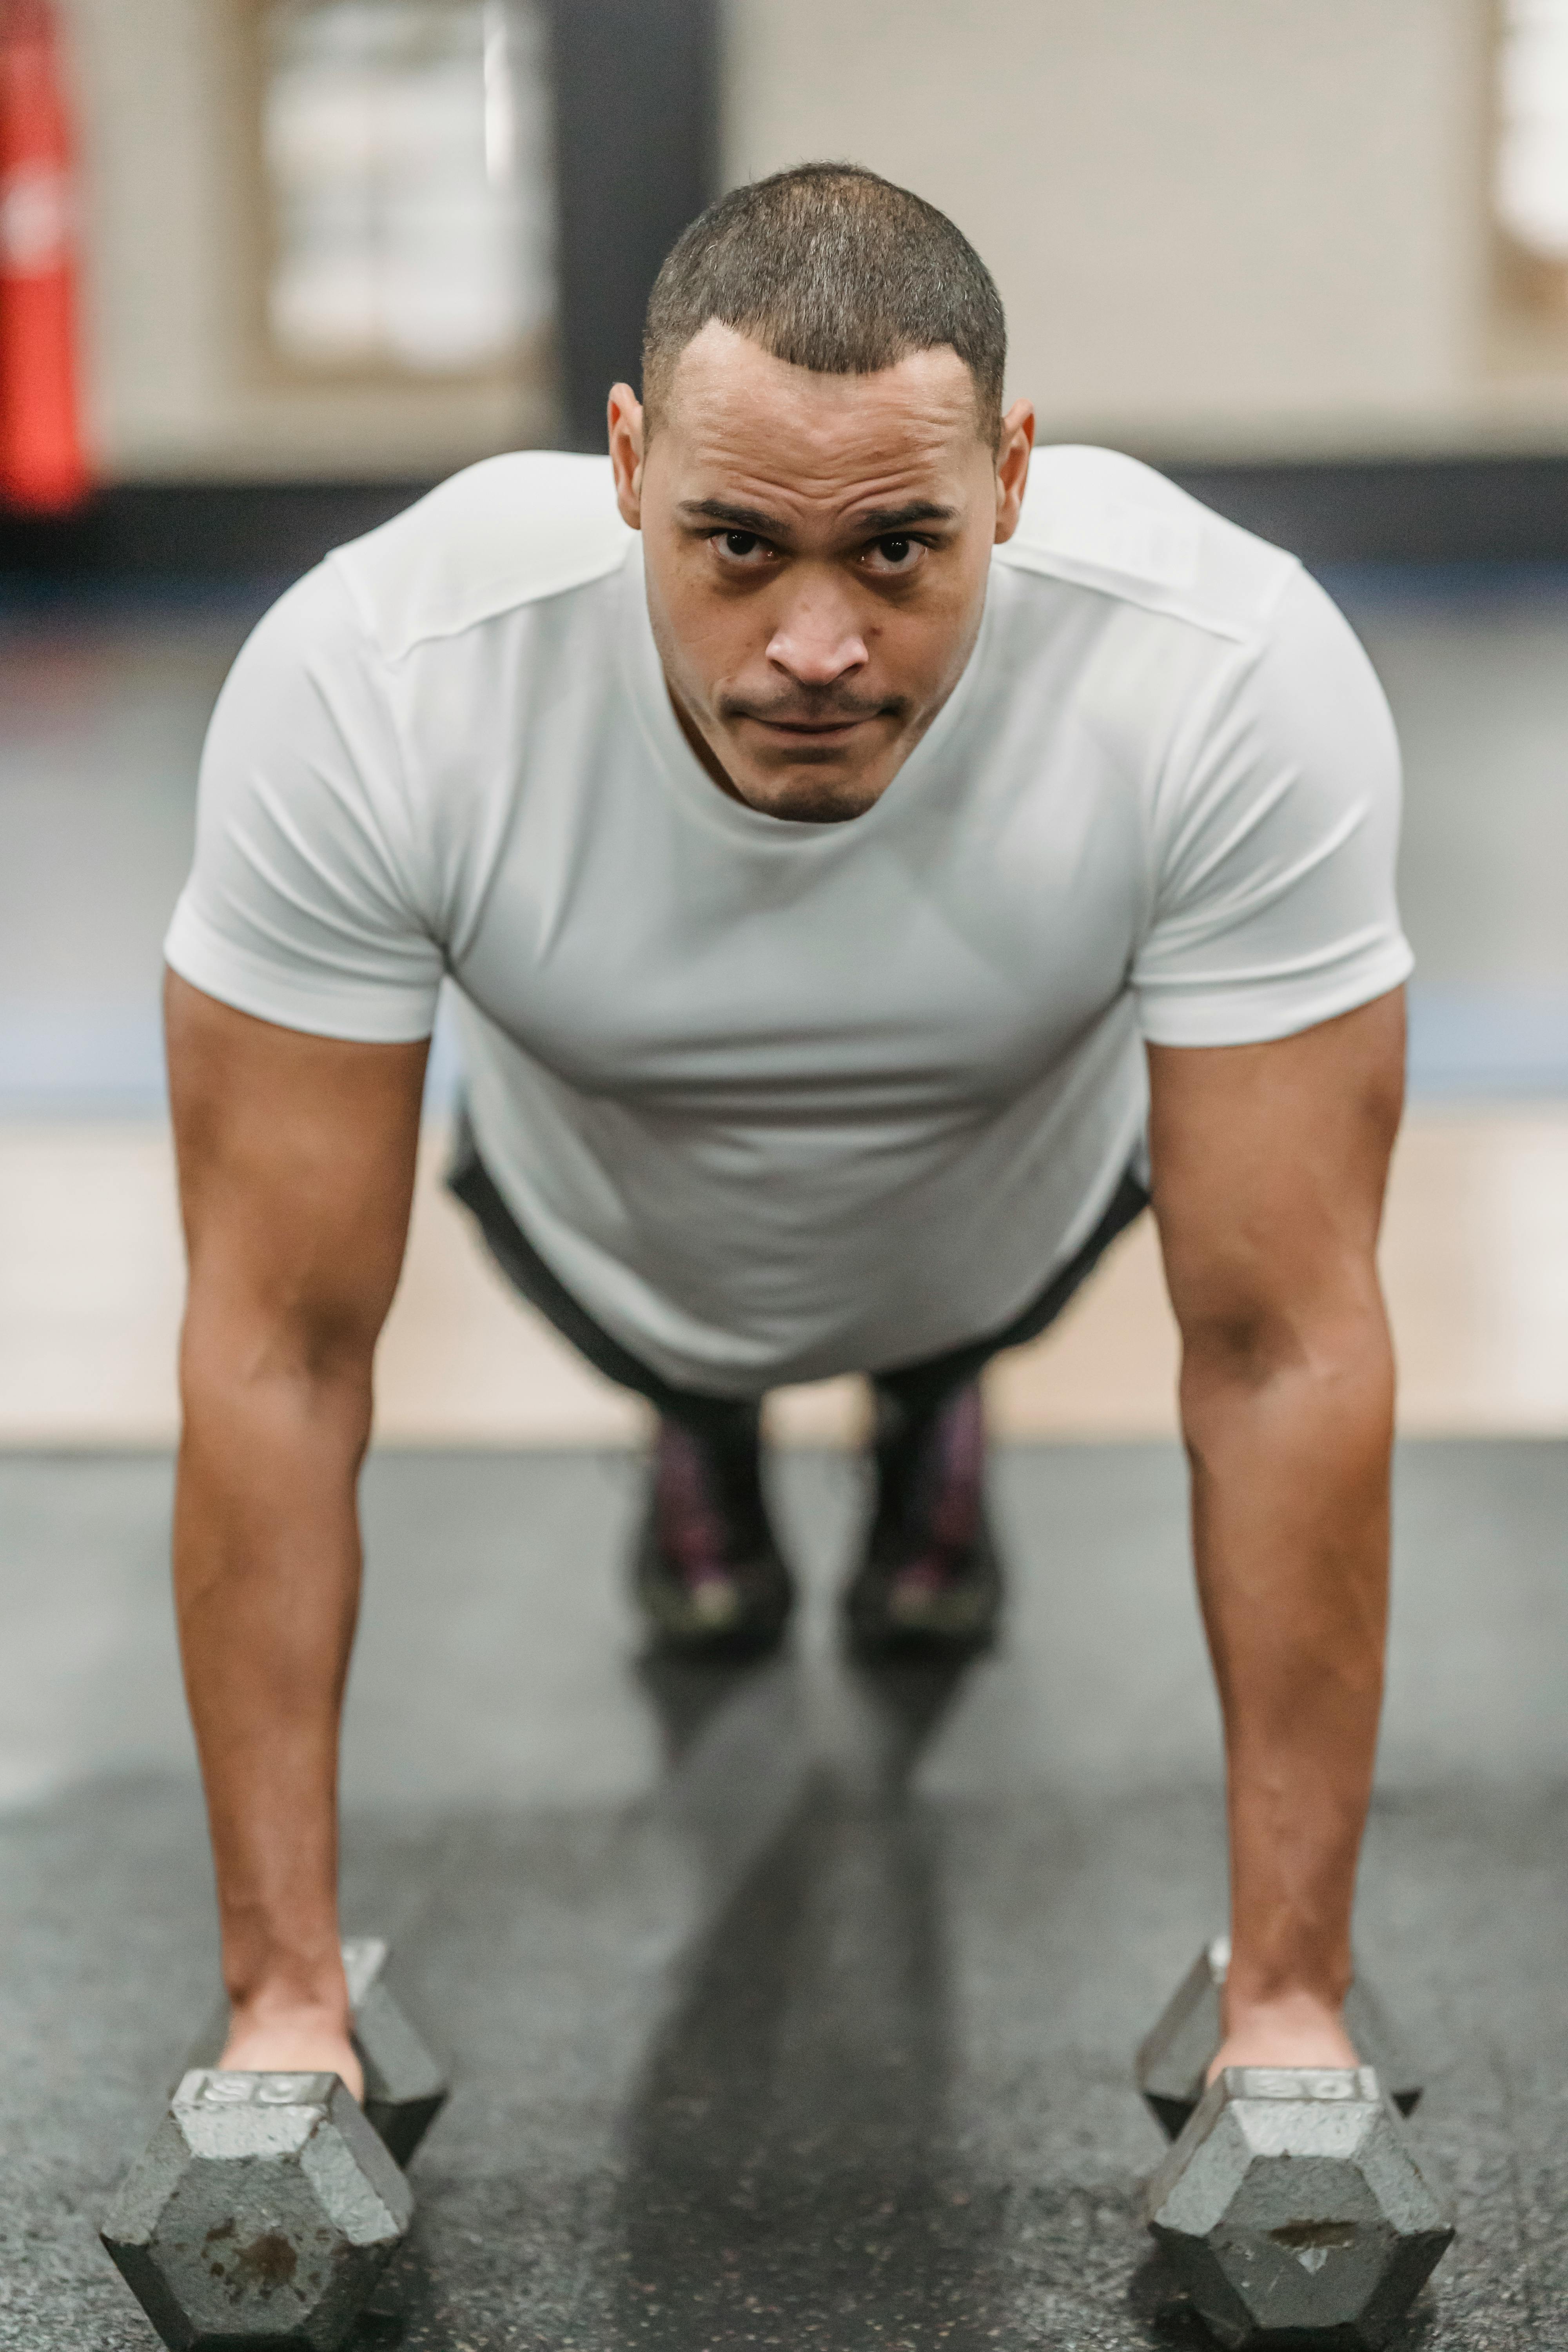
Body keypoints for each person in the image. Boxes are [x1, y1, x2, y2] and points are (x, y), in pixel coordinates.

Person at [162, 164, 1410, 2108]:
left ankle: (929, 1403)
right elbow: (275, 1344)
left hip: (1004, 1228)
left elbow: (1285, 1345)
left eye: (899, 550)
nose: (815, 644)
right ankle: (710, 1417)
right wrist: (281, 2010)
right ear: (625, 462)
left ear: (1011, 476)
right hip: (611, 1243)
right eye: (735, 546)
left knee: (963, 1351)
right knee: (689, 1426)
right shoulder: (381, 681)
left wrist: (1290, 2004)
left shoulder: (1225, 672)